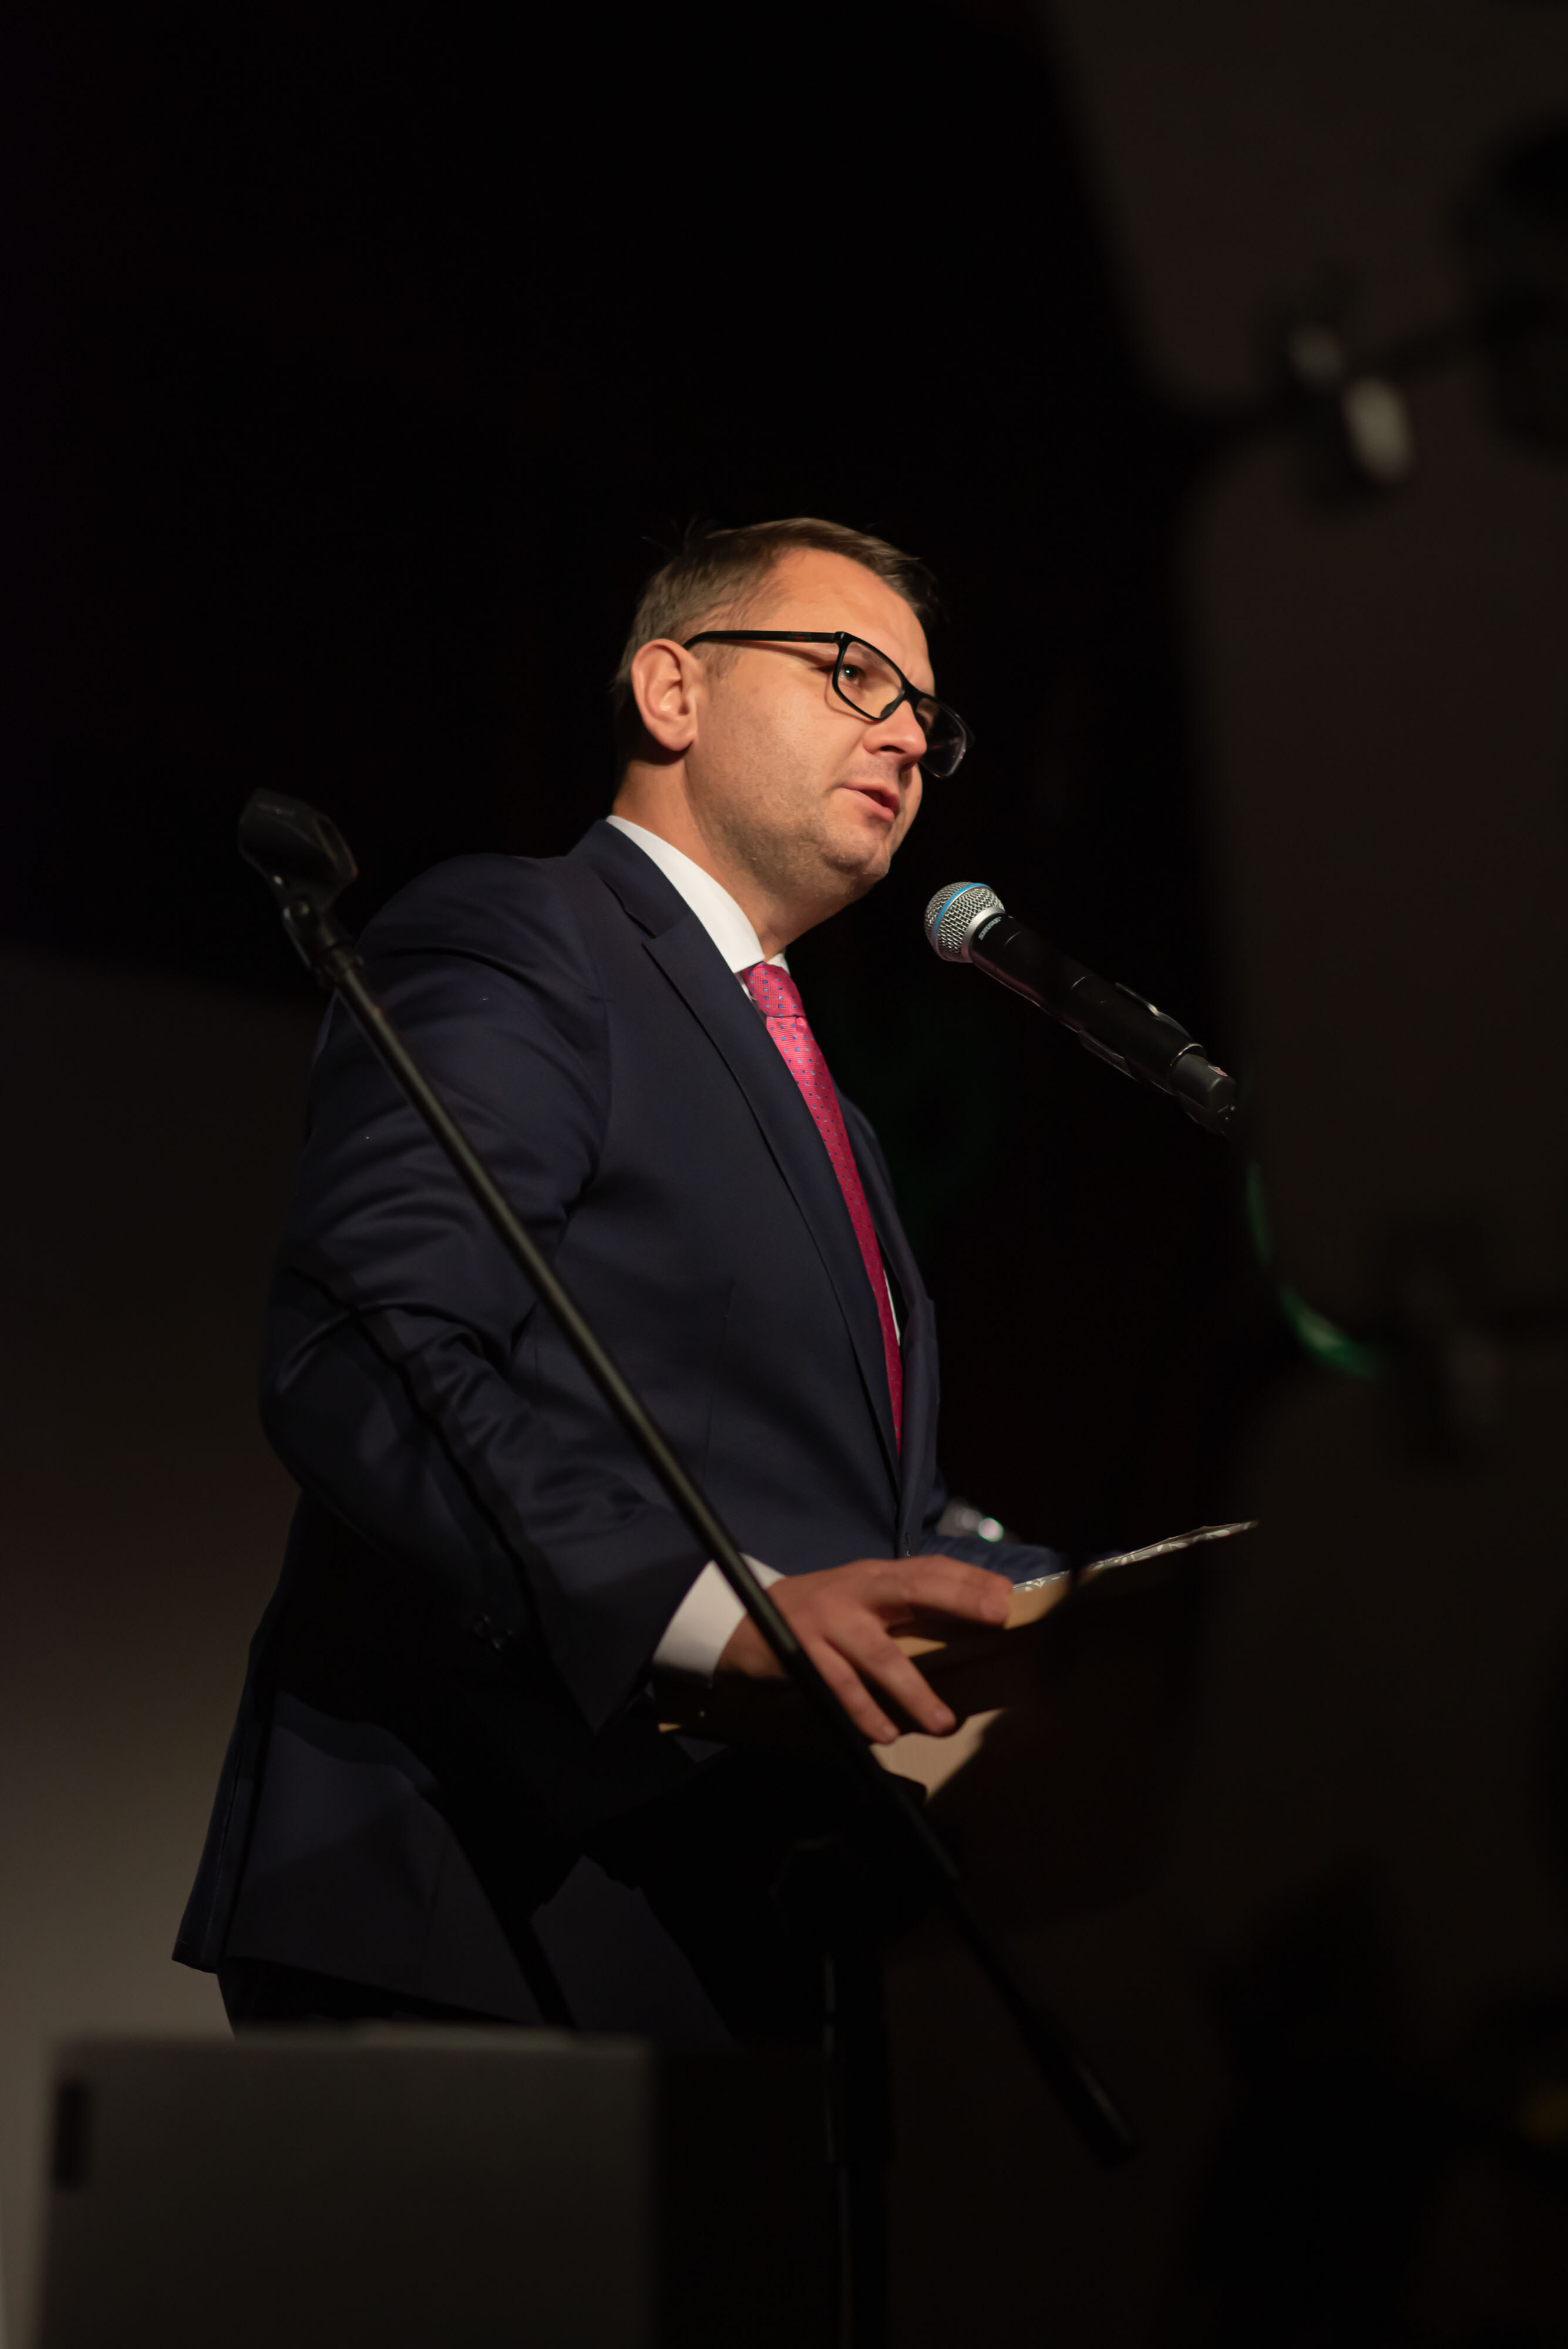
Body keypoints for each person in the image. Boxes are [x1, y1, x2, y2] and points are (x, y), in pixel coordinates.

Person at [176, 517, 1065, 2040]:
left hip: (731, 1933)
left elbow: (840, 1508)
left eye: (930, 713)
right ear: (672, 690)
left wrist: (1052, 1606)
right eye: (855, 674)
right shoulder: (519, 936)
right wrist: (714, 1618)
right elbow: (368, 1345)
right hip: (479, 1899)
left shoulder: (830, 1110)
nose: (910, 738)